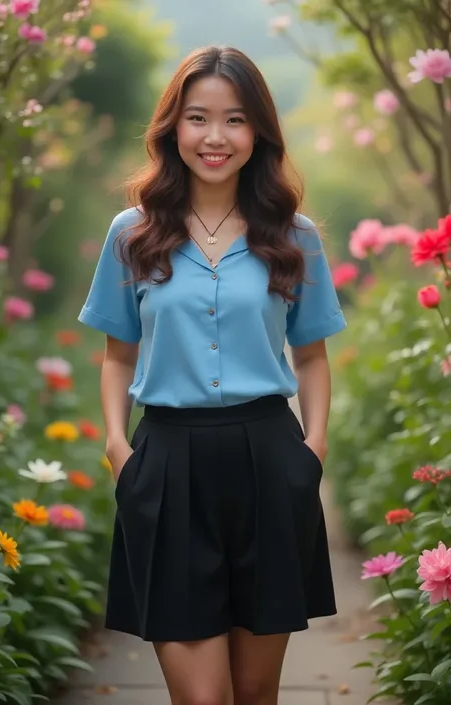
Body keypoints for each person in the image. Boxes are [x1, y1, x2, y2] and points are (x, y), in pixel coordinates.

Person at [78, 45, 347, 705]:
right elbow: (118, 355)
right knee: (201, 697)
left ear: (258, 131)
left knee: (254, 693)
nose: (216, 137)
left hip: (268, 457)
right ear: (174, 128)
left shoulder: (294, 234)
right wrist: (119, 448)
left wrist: (310, 451)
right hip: (167, 462)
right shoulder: (132, 234)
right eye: (199, 118)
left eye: (234, 119)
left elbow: (311, 356)